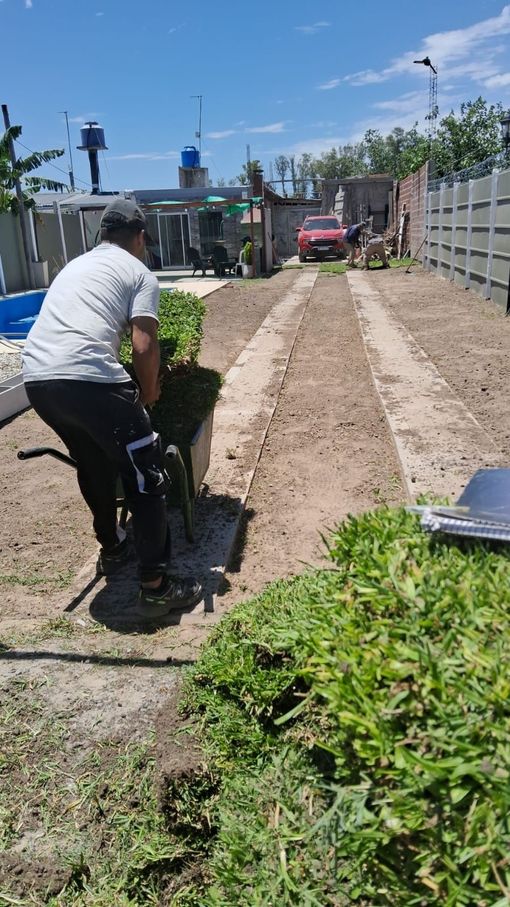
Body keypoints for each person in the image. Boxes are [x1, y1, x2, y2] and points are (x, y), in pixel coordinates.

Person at [22, 199, 203, 619]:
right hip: (89, 378)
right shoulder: (139, 273)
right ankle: (156, 587)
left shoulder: (75, 266)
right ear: (140, 237)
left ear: (102, 235)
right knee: (147, 475)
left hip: (38, 379)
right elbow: (144, 344)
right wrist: (150, 390)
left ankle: (113, 545)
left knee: (92, 460)